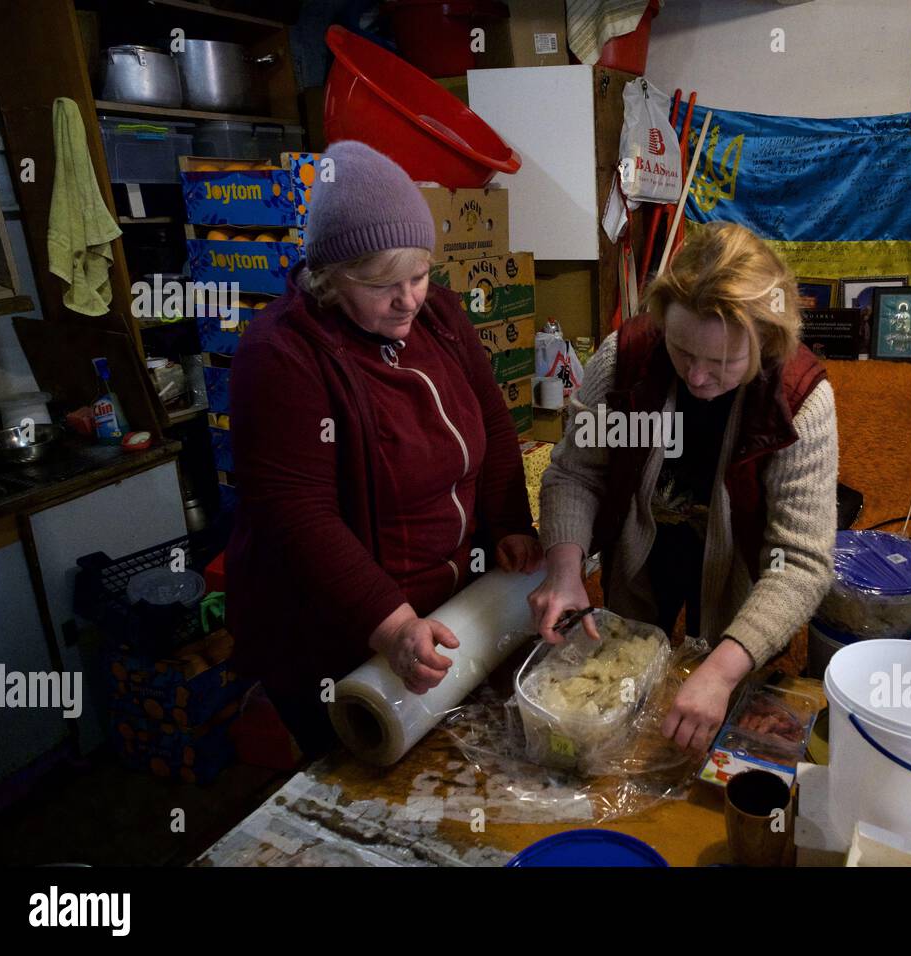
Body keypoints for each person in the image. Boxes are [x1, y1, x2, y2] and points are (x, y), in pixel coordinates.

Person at [226, 141, 541, 755]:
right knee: (360, 772)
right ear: (329, 278)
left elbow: (494, 423)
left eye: (419, 275)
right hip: (333, 628)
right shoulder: (281, 356)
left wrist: (508, 522)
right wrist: (391, 624)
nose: (408, 301)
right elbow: (298, 515)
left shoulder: (440, 317)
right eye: (381, 285)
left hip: (448, 607)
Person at [530, 222, 838, 753]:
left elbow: (801, 560)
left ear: (765, 342)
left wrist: (721, 671)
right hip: (640, 559)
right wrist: (563, 569)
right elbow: (576, 472)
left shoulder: (799, 403)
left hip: (740, 575)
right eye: (682, 352)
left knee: (714, 727)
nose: (696, 378)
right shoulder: (625, 361)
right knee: (621, 705)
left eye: (722, 363)